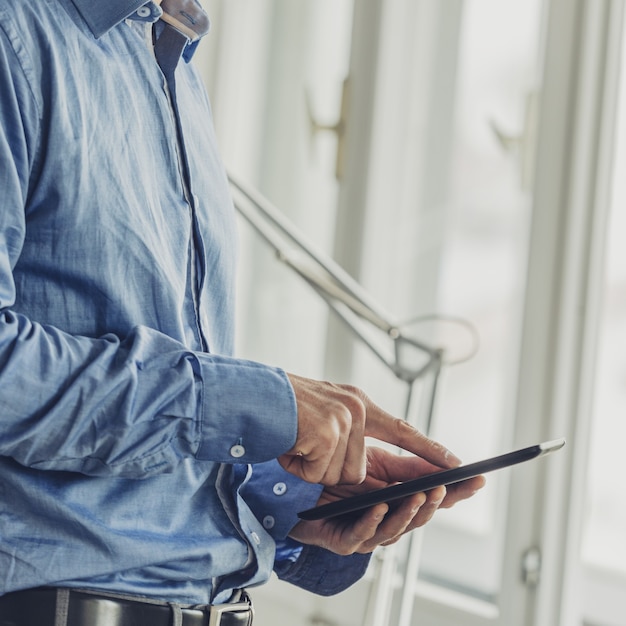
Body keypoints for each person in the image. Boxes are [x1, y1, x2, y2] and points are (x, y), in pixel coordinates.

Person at [0, 1, 485, 624]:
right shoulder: (17, 35)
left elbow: (156, 434)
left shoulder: (166, 56)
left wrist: (287, 497)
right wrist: (252, 403)